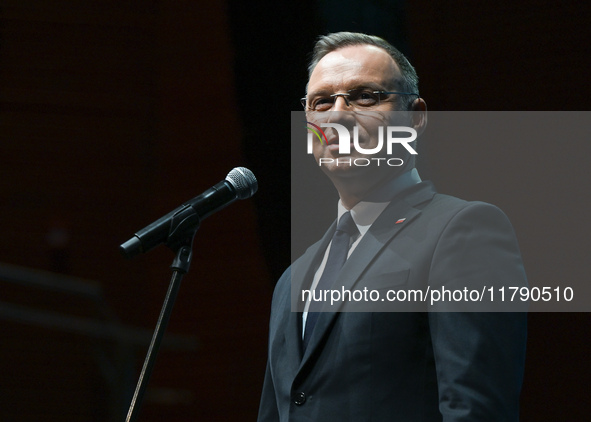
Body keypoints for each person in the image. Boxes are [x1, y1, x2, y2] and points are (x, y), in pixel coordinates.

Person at [258, 32, 527, 422]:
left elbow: (477, 410)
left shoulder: (463, 230)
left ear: (415, 117)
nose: (336, 115)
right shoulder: (292, 279)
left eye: (364, 96)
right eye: (321, 102)